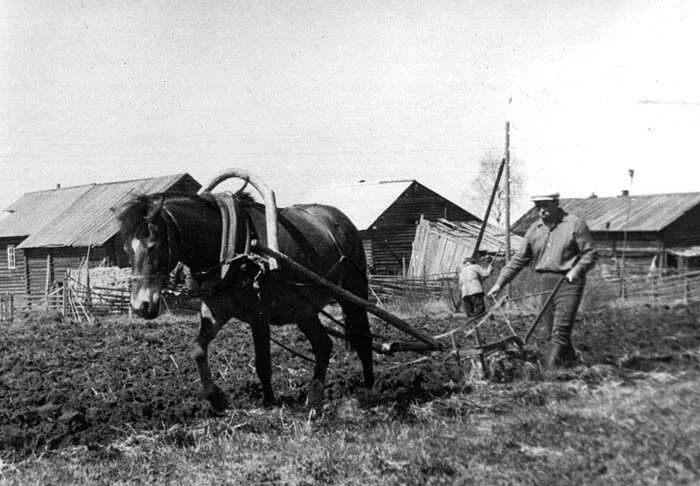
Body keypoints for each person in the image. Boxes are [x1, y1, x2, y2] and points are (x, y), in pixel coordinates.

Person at [487, 193, 597, 368]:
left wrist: (576, 270)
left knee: (560, 330)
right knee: (550, 331)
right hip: (546, 281)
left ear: (555, 203)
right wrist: (499, 283)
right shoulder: (534, 229)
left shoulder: (574, 224)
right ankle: (572, 363)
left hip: (569, 282)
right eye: (538, 206)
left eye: (545, 205)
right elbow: (518, 259)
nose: (542, 211)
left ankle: (549, 373)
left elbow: (590, 253)